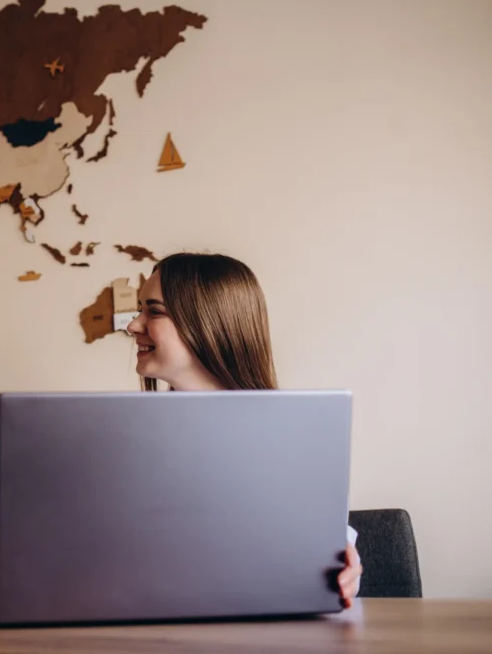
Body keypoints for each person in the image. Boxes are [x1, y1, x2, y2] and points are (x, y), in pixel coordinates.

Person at [126, 251, 363, 607]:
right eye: (140, 309)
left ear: (208, 323)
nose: (133, 325)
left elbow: (333, 565)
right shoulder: (124, 441)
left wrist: (345, 575)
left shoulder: (298, 439)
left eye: (154, 311)